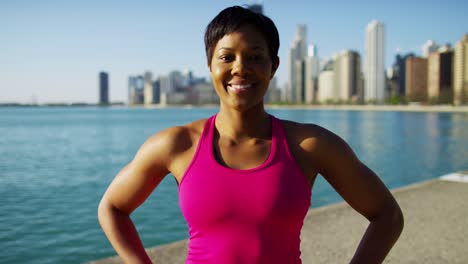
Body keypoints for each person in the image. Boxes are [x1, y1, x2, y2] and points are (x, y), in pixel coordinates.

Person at [98, 6, 404, 264]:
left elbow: (386, 215)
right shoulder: (177, 145)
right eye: (227, 57)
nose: (240, 68)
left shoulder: (310, 145)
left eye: (256, 57)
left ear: (274, 66)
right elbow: (112, 208)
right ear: (210, 65)